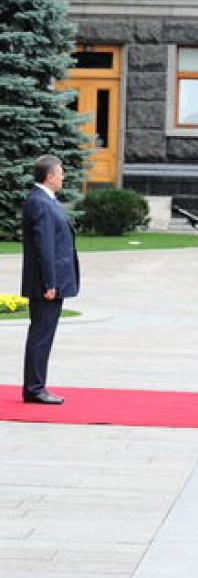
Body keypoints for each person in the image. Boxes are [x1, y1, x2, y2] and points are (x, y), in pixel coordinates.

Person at [20, 155, 80, 405]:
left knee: (43, 334)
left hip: (51, 281)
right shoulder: (40, 203)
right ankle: (34, 389)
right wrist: (50, 284)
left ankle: (35, 386)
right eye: (61, 172)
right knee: (41, 334)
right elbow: (44, 247)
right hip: (47, 284)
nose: (63, 176)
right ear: (50, 176)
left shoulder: (45, 200)